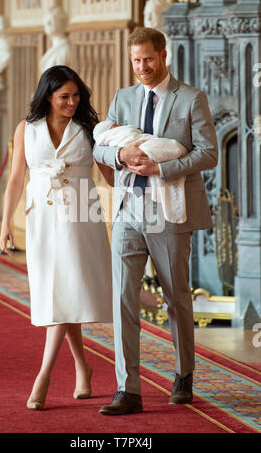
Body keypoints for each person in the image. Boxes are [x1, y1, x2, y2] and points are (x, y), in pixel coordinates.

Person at [93, 27, 218, 415]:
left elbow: (209, 153)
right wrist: (122, 154)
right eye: (135, 60)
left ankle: (183, 375)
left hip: (169, 209)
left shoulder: (192, 98)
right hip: (130, 208)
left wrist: (162, 168)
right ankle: (127, 389)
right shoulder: (122, 97)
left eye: (148, 58)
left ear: (163, 56)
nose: (142, 67)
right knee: (123, 298)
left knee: (175, 298)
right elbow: (100, 144)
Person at [0, 65, 112, 410]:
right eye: (65, 96)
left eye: (77, 95)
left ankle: (43, 377)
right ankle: (83, 367)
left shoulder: (89, 128)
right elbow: (17, 178)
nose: (73, 102)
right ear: (47, 95)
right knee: (61, 290)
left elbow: (109, 174)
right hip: (43, 220)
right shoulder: (26, 129)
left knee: (65, 290)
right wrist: (6, 223)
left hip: (80, 217)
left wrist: (121, 148)